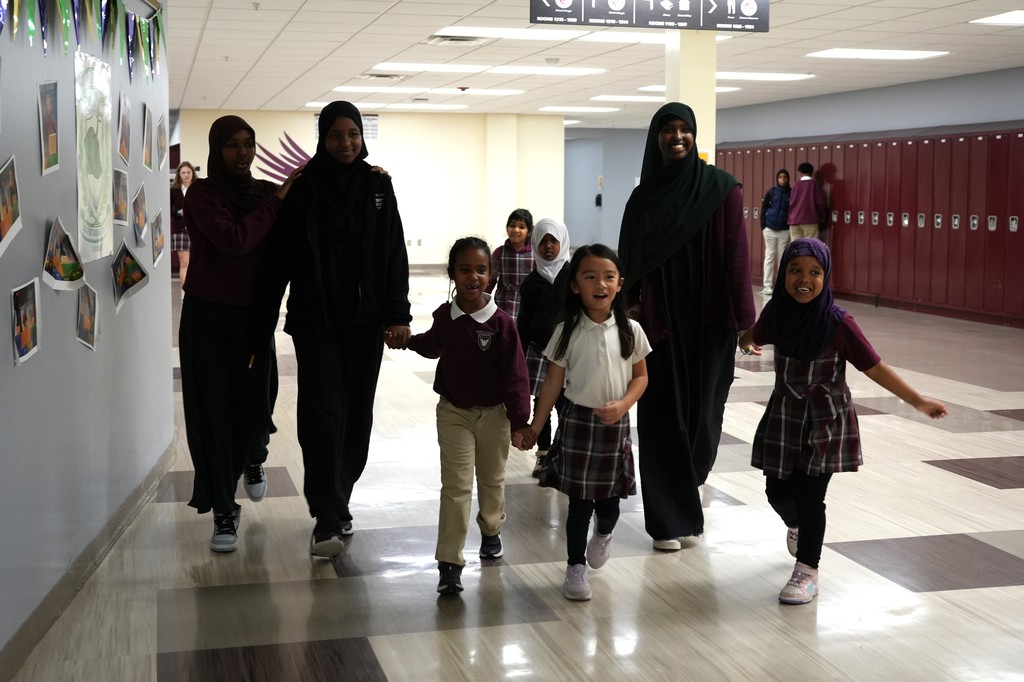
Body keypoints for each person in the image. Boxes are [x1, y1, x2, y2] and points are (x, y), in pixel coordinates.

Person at [738, 238, 947, 604]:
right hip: (785, 415)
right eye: (795, 270)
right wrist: (745, 340)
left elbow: (874, 367)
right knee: (777, 492)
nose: (804, 279)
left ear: (826, 276)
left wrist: (917, 400)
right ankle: (797, 526)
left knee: (810, 495)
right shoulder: (776, 313)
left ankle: (807, 571)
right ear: (783, 272)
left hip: (825, 421)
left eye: (815, 272)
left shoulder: (838, 323)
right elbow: (754, 334)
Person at [255, 101, 411, 558]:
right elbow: (281, 254)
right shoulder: (305, 189)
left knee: (357, 413)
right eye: (336, 135)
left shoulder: (377, 187)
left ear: (362, 138)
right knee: (323, 413)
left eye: (353, 135)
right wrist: (264, 314)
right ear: (322, 138)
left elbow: (393, 254)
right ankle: (327, 514)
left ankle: (340, 498)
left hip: (364, 323)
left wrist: (396, 313)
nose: (345, 143)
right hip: (315, 320)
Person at [617, 102, 755, 551]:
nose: (676, 138)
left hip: (710, 320)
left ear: (695, 136)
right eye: (667, 131)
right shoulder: (643, 198)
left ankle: (686, 485)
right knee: (661, 418)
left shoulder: (720, 189)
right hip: (659, 325)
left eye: (684, 130)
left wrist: (746, 323)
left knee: (704, 417)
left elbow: (737, 257)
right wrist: (625, 314)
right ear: (655, 139)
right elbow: (629, 264)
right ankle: (665, 519)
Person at [180, 115, 301, 553]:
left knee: (258, 400)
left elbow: (316, 199)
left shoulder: (265, 192)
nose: (242, 153)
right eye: (232, 145)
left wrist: (372, 178)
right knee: (215, 414)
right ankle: (224, 513)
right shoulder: (203, 194)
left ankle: (254, 457)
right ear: (217, 149)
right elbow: (235, 240)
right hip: (208, 317)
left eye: (249, 144)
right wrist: (277, 201)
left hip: (253, 318)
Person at [521, 244, 651, 601]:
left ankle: (605, 533)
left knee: (609, 502)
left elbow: (640, 377)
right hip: (578, 421)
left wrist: (623, 404)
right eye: (590, 276)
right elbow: (551, 382)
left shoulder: (631, 330)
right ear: (575, 285)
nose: (600, 283)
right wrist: (536, 425)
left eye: (608, 276)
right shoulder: (566, 330)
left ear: (620, 283)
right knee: (579, 504)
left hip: (615, 426)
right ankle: (575, 567)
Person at [403, 237, 532, 595]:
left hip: (495, 416)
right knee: (456, 486)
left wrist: (521, 422)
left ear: (491, 276)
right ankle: (449, 562)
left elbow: (517, 376)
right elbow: (433, 345)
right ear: (452, 274)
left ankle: (491, 531)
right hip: (454, 413)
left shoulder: (502, 324)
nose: (473, 277)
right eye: (464, 270)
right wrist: (407, 340)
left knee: (491, 480)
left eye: (481, 270)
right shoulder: (446, 316)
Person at [516, 217, 571, 477]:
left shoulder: (573, 276)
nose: (548, 246)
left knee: (566, 405)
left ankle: (564, 453)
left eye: (553, 240)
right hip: (540, 353)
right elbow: (524, 321)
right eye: (543, 241)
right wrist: (518, 351)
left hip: (569, 353)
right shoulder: (531, 282)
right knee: (543, 405)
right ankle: (544, 454)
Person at [486, 208, 534, 320]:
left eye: (521, 227)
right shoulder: (499, 252)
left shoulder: (534, 255)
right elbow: (491, 280)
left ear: (529, 231)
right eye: (512, 225)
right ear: (507, 227)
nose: (516, 230)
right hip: (503, 302)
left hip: (526, 303)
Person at [759, 168, 790, 296]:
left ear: (788, 179)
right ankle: (767, 285)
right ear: (777, 179)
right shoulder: (771, 192)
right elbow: (764, 208)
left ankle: (781, 285)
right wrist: (763, 226)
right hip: (770, 229)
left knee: (782, 258)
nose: (782, 179)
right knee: (769, 257)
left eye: (785, 177)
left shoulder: (791, 192)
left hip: (784, 230)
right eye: (780, 177)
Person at [170, 161, 197, 295]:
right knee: (185, 262)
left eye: (188, 172)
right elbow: (167, 209)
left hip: (198, 230)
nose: (186, 175)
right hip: (180, 229)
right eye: (183, 173)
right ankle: (186, 294)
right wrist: (179, 213)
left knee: (196, 262)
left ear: (193, 173)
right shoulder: (174, 191)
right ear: (179, 175)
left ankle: (197, 292)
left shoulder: (198, 189)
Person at [788, 162, 826, 240]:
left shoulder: (795, 185)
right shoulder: (815, 184)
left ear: (800, 173)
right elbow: (821, 203)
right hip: (810, 220)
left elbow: (791, 202)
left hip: (794, 220)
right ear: (811, 173)